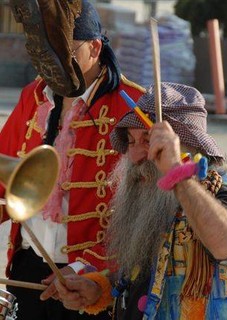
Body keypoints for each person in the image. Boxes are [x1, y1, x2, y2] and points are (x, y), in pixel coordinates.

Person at [55, 82, 227, 319]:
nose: (136, 155)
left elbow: (226, 245)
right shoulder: (151, 200)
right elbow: (145, 277)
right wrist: (100, 289)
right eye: (131, 141)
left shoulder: (221, 193)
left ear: (185, 146)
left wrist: (176, 172)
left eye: (148, 140)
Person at [0, 1, 145, 319]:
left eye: (66, 53)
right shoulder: (33, 96)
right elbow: (4, 174)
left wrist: (94, 272)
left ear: (94, 48)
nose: (52, 67)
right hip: (27, 268)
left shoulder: (134, 107)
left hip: (93, 278)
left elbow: (146, 213)